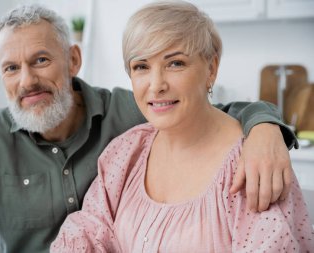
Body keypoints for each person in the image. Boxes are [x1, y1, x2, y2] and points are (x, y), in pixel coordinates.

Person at [0, 3, 299, 253]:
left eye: (41, 60)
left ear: (73, 59)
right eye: (11, 68)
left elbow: (211, 112)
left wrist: (264, 125)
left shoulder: (134, 114)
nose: (27, 80)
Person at [50, 1, 314, 252]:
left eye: (175, 63)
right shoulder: (125, 152)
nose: (156, 85)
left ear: (211, 68)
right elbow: (88, 229)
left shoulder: (254, 164)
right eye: (141, 66)